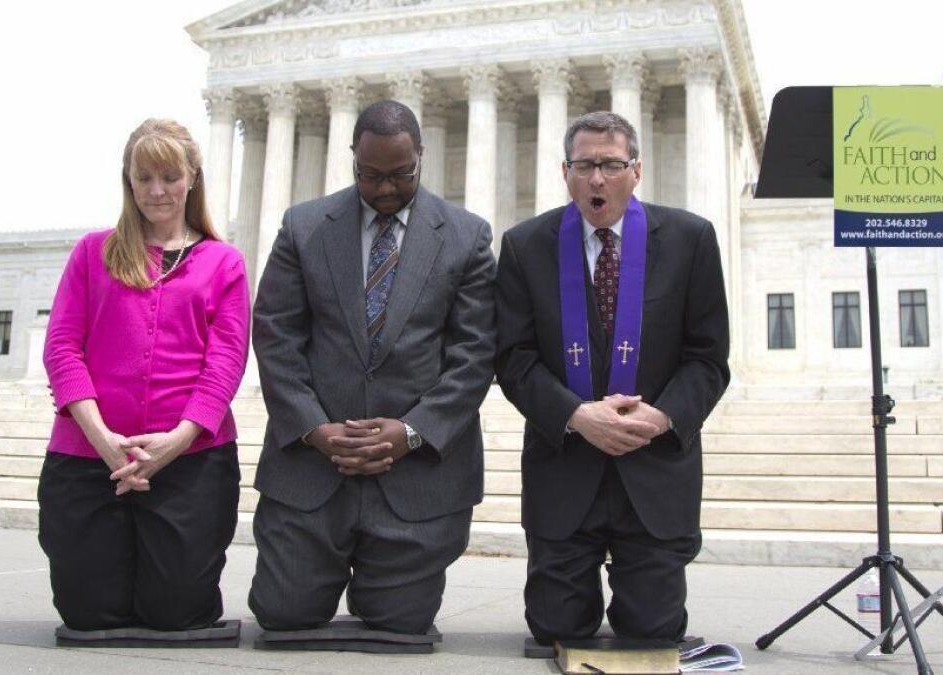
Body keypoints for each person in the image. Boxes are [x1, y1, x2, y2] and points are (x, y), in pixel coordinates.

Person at [248, 100, 496, 635]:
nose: (385, 188)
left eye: (400, 175)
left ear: (421, 158)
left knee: (398, 623)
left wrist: (411, 432)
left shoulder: (466, 236)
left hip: (415, 472)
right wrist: (315, 429)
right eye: (371, 175)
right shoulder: (304, 227)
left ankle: (382, 579)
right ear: (353, 160)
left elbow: (475, 354)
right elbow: (275, 335)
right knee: (283, 615)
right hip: (314, 469)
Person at [495, 111, 730, 643]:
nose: (597, 179)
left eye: (610, 165)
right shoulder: (525, 246)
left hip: (653, 469)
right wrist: (575, 415)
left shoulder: (690, 239)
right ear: (565, 172)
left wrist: (664, 416)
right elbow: (513, 358)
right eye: (584, 165)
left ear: (636, 170)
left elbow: (709, 357)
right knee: (557, 629)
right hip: (565, 467)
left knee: (653, 630)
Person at [39, 118, 250, 631]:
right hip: (90, 456)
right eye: (144, 179)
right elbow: (62, 349)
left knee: (177, 612)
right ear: (128, 182)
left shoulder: (224, 263)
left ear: (192, 178)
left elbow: (225, 364)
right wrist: (105, 441)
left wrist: (174, 442)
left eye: (169, 177)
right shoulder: (93, 252)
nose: (157, 191)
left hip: (191, 459)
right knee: (88, 614)